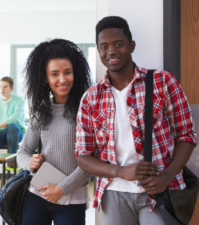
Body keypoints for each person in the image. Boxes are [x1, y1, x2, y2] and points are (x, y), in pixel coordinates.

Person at [75, 16, 197, 225]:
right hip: (113, 193)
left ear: (131, 46)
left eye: (118, 44)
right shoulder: (90, 97)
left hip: (160, 191)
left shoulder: (162, 82)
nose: (111, 51)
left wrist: (166, 177)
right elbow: (82, 156)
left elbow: (187, 135)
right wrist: (120, 171)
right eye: (104, 47)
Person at [17, 39, 92, 225]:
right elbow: (23, 151)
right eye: (54, 74)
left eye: (67, 72)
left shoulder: (86, 112)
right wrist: (30, 162)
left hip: (71, 199)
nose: (62, 79)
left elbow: (91, 161)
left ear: (76, 73)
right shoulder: (41, 113)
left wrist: (61, 188)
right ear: (45, 78)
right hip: (36, 196)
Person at [0, 76, 25, 202]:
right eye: (0, 86)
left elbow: (15, 118)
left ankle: (12, 158)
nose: (2, 89)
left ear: (11, 88)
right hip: (1, 134)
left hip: (15, 133)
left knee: (11, 127)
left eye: (5, 86)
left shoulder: (18, 100)